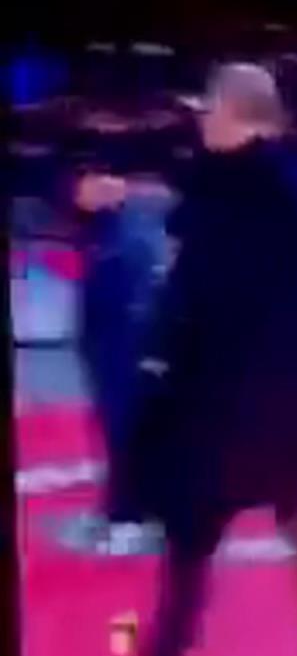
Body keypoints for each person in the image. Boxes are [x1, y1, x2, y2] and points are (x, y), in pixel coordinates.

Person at [124, 64, 297, 656]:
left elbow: (183, 312)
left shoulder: (211, 199)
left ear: (237, 114)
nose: (199, 120)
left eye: (207, 108)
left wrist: (158, 389)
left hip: (211, 413)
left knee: (187, 561)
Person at [73, 169, 171, 551]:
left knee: (132, 426)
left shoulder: (142, 232)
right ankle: (124, 508)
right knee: (117, 426)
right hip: (107, 344)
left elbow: (148, 295)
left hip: (133, 344)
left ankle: (134, 513)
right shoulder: (103, 233)